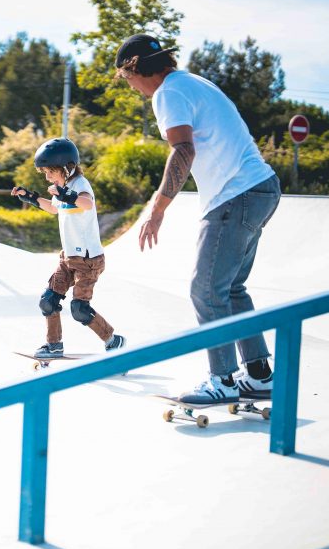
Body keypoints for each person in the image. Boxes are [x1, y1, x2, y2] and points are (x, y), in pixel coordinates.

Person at [115, 34, 280, 404]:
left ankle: (222, 380)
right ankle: (259, 374)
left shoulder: (167, 92)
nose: (132, 88)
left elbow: (183, 149)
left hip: (235, 194)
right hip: (261, 187)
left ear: (136, 68)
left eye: (128, 79)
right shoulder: (193, 82)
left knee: (205, 291)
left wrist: (157, 209)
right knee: (231, 289)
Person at [12, 138, 126, 359]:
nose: (47, 177)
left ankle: (113, 340)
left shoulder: (81, 185)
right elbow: (54, 209)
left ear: (67, 168)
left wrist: (65, 194)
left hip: (88, 261)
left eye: (50, 172)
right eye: (44, 173)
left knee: (79, 309)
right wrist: (31, 198)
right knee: (48, 301)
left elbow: (87, 203)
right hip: (67, 259)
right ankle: (54, 345)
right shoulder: (62, 188)